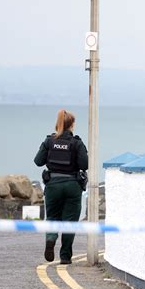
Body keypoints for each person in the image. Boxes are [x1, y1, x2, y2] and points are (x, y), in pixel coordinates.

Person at [34, 109, 88, 264]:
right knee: (69, 222)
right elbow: (85, 165)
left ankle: (50, 240)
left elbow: (38, 161)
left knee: (52, 217)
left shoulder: (49, 141)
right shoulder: (77, 143)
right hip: (72, 185)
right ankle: (65, 256)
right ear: (71, 125)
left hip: (53, 185)